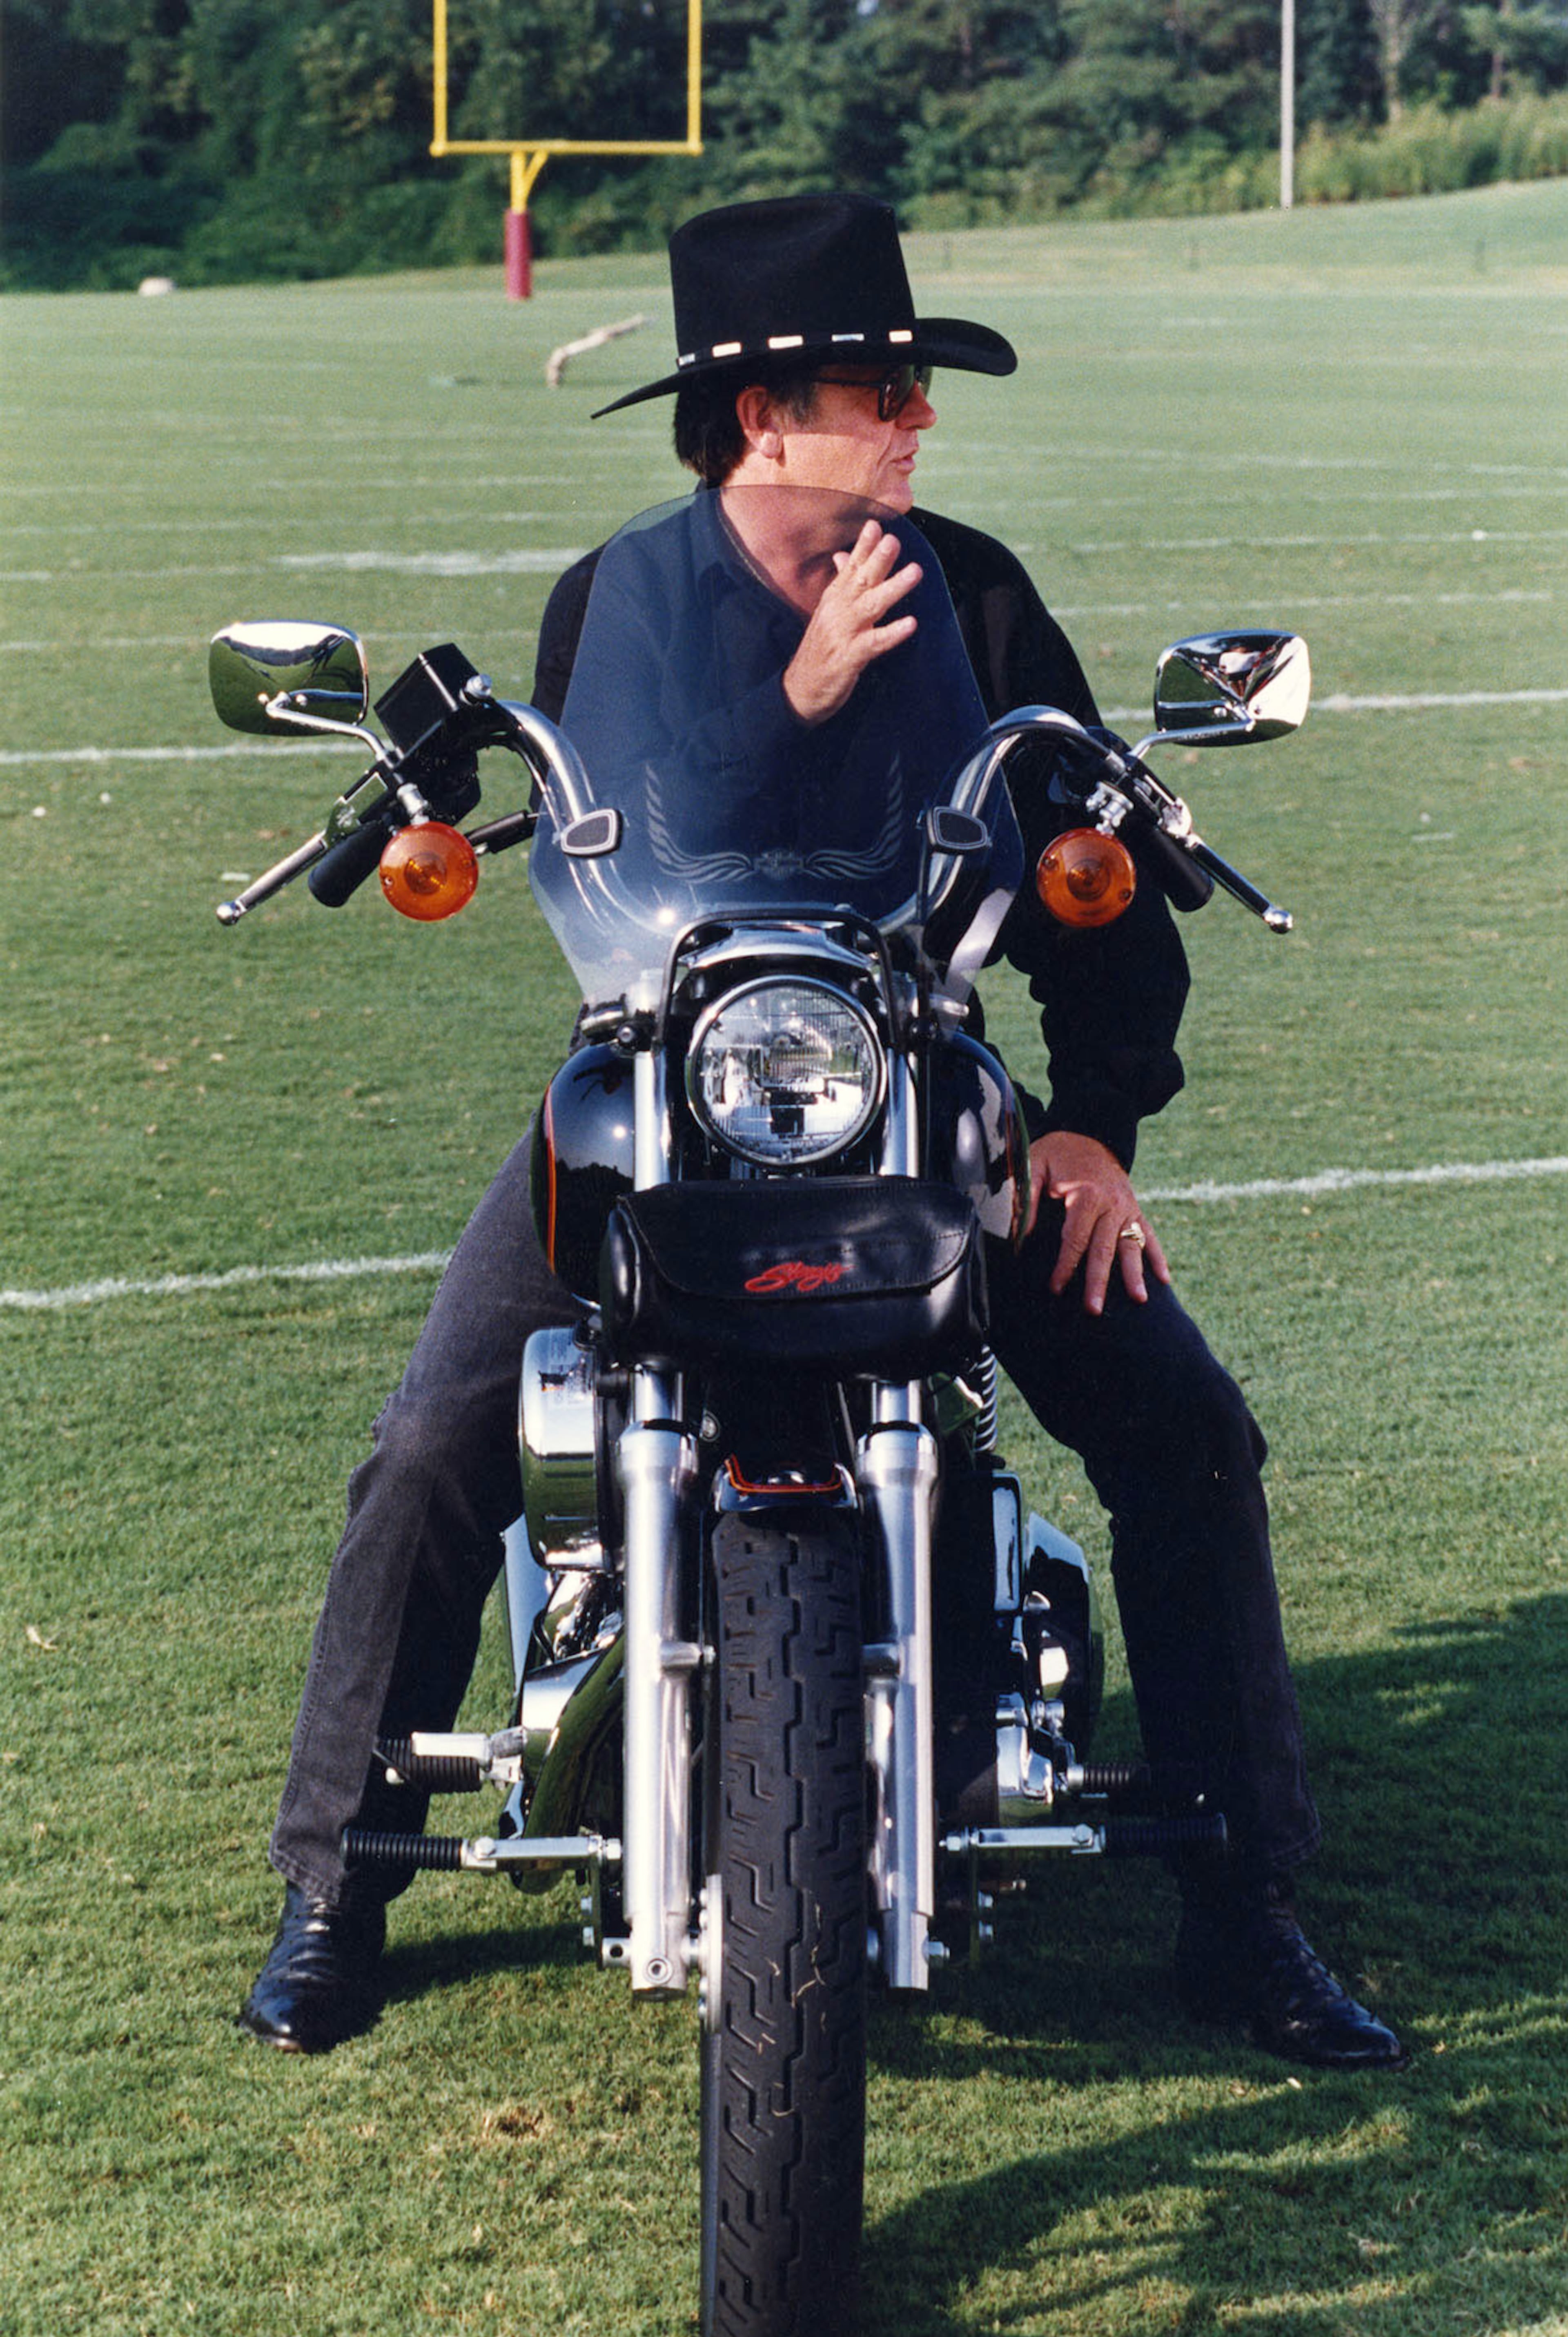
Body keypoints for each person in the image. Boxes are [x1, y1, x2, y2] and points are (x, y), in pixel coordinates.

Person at [240, 193, 1407, 2073]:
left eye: (911, 384)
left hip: (923, 1081)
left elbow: (1095, 869)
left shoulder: (980, 587)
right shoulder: (621, 596)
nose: (914, 416)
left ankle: (1248, 1902)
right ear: (762, 414)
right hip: (673, 1078)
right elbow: (629, 814)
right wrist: (793, 703)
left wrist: (1095, 1128)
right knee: (435, 1440)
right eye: (883, 385)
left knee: (1187, 1429)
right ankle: (332, 1889)